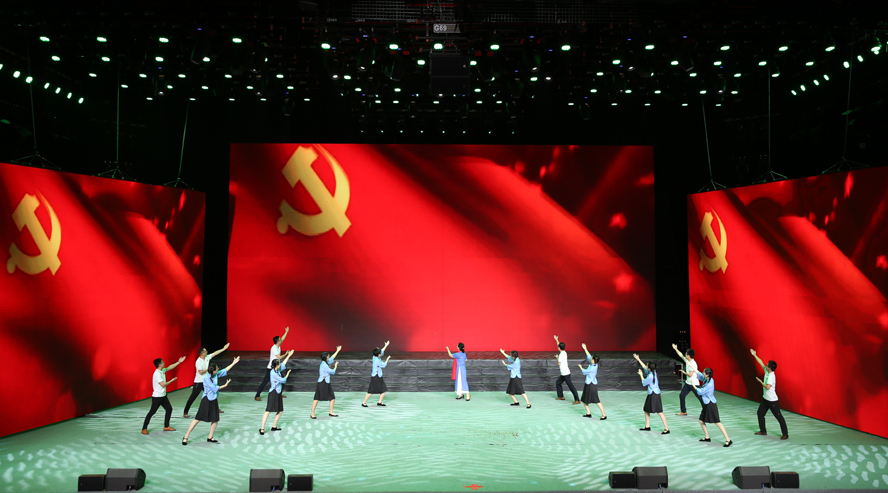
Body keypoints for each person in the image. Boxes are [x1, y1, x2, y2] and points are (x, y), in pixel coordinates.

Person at [182, 356, 241, 445]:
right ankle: (186, 436)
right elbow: (214, 388)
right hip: (206, 400)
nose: (218, 369)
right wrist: (225, 385)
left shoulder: (216, 374)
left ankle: (210, 437)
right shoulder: (206, 378)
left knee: (215, 419)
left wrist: (234, 363)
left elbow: (225, 370)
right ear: (213, 371)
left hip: (213, 399)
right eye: (217, 369)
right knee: (197, 419)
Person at [683, 367, 732, 447]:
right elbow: (700, 375)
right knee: (701, 420)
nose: (702, 373)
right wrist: (692, 366)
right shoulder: (708, 379)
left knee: (717, 422)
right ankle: (707, 437)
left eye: (704, 372)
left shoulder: (710, 384)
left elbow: (700, 392)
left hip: (711, 405)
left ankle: (728, 440)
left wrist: (693, 384)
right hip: (706, 404)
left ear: (707, 375)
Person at [142, 355, 186, 435]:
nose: (164, 362)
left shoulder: (162, 371)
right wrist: (172, 381)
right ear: (160, 364)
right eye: (162, 362)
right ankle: (144, 428)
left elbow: (169, 367)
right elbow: (163, 384)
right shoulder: (157, 374)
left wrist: (179, 362)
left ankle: (166, 426)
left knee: (169, 409)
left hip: (163, 396)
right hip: (157, 397)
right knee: (152, 412)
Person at [750, 349, 789, 440]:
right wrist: (754, 355)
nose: (765, 365)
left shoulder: (771, 376)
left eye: (767, 365)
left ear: (770, 368)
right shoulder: (767, 371)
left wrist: (760, 382)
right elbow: (761, 362)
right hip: (765, 399)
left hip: (772, 401)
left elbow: (768, 387)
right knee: (760, 413)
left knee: (779, 417)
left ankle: (785, 434)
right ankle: (763, 431)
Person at [184, 343, 230, 418]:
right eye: (205, 351)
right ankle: (185, 412)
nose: (207, 352)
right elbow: (200, 372)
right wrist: (209, 369)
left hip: (206, 381)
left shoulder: (207, 357)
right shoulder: (198, 361)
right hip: (199, 382)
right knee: (193, 397)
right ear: (202, 353)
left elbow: (215, 353)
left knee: (213, 393)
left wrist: (224, 349)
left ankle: (216, 409)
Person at [634, 353, 669, 434]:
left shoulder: (650, 376)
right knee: (646, 410)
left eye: (647, 366)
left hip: (654, 395)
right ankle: (647, 426)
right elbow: (644, 367)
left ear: (649, 369)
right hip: (652, 393)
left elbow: (644, 383)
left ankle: (667, 429)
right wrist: (638, 359)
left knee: (659, 412)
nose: (646, 366)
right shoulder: (653, 371)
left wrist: (641, 375)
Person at [260, 350, 293, 434]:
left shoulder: (277, 370)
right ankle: (262, 428)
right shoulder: (273, 373)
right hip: (273, 393)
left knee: (280, 410)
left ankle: (274, 426)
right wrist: (287, 374)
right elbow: (283, 380)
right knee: (268, 411)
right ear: (277, 365)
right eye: (279, 364)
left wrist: (288, 356)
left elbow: (283, 364)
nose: (280, 364)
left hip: (278, 393)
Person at [255, 327, 289, 401]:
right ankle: (257, 395)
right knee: (265, 382)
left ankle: (279, 394)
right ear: (278, 341)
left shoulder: (278, 345)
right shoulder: (274, 348)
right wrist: (286, 354)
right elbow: (279, 357)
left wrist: (286, 332)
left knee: (282, 380)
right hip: (270, 368)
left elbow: (283, 338)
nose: (281, 340)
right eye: (280, 340)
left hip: (277, 367)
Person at [671, 343, 703, 416]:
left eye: (686, 354)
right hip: (688, 383)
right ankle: (683, 411)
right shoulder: (687, 360)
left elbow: (690, 374)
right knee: (682, 396)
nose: (685, 354)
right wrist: (676, 349)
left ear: (688, 355)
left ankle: (707, 411)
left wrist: (684, 372)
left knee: (700, 398)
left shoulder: (693, 363)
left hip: (694, 384)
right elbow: (681, 355)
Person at [311, 346, 341, 418]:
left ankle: (331, 412)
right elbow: (332, 372)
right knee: (317, 398)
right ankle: (312, 414)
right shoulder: (324, 365)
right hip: (322, 383)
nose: (329, 356)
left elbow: (332, 359)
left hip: (326, 382)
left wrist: (337, 351)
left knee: (332, 397)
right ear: (326, 357)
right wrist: (336, 366)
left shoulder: (326, 362)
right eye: (328, 356)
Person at [578, 343, 606, 420]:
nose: (590, 358)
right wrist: (585, 348)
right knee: (584, 399)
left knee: (596, 401)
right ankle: (588, 413)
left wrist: (580, 367)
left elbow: (585, 372)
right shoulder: (593, 363)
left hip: (591, 385)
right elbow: (589, 356)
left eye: (592, 358)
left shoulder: (593, 367)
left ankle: (604, 415)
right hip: (588, 384)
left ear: (593, 360)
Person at [362, 341, 391, 407]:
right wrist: (387, 359)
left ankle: (379, 402)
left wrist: (386, 345)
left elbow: (382, 351)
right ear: (378, 354)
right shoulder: (377, 360)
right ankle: (364, 402)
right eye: (380, 353)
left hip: (379, 376)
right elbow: (384, 365)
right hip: (376, 377)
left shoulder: (375, 356)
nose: (381, 353)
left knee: (383, 390)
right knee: (371, 391)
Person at [553, 335, 580, 404]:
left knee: (571, 386)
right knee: (558, 383)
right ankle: (561, 396)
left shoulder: (560, 355)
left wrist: (557, 358)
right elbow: (559, 346)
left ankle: (577, 400)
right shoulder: (564, 352)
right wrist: (556, 340)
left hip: (565, 374)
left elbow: (558, 363)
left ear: (559, 348)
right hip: (564, 373)